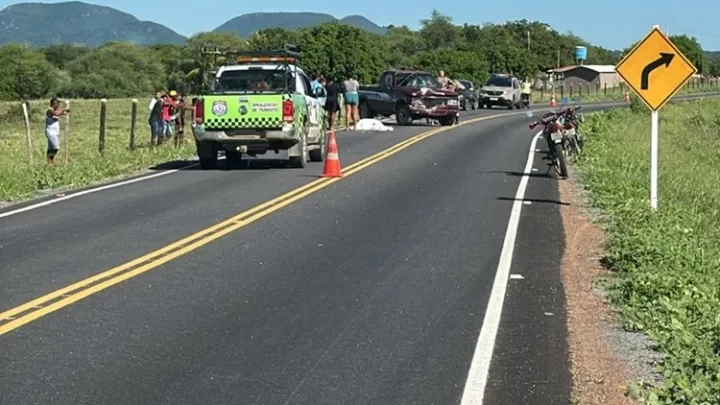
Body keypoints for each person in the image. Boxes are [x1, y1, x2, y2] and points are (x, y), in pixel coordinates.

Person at [45, 98, 69, 165]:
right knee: (56, 147)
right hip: (50, 132)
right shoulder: (49, 111)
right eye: (57, 104)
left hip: (54, 132)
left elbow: (58, 111)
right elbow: (56, 114)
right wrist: (63, 112)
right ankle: (49, 158)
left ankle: (51, 163)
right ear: (54, 104)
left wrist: (63, 110)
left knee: (51, 148)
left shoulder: (55, 110)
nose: (58, 105)